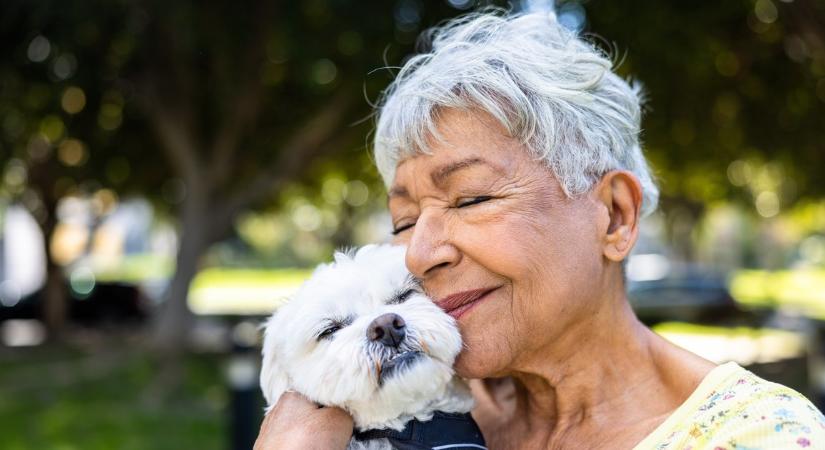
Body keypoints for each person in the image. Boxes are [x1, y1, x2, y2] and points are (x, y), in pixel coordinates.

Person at [255, 10, 825, 450]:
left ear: (616, 215)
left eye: (472, 197)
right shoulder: (399, 406)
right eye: (405, 220)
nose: (420, 252)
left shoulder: (759, 435)